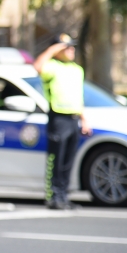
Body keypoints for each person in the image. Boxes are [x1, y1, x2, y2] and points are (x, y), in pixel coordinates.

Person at [33, 33, 91, 210]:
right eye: (67, 47)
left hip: (73, 118)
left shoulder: (76, 69)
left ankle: (64, 195)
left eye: (72, 47)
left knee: (68, 161)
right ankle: (53, 197)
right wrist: (52, 49)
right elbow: (37, 66)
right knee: (56, 160)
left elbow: (78, 97)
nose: (71, 50)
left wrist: (84, 119)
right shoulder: (52, 66)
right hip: (58, 118)